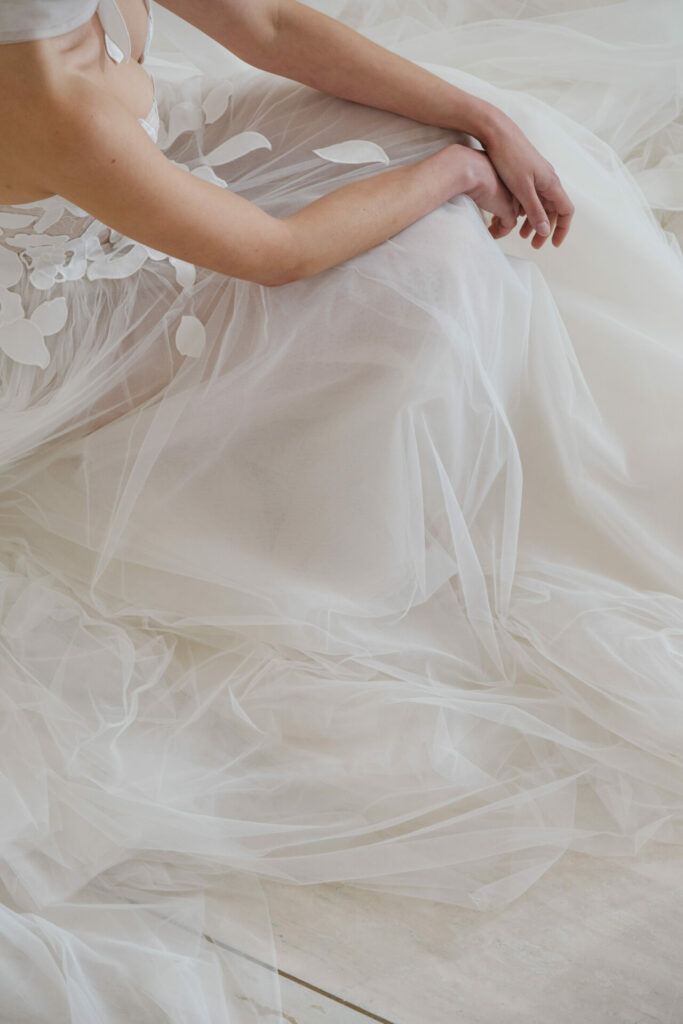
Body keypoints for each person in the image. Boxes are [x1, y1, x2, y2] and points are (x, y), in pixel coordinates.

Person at [0, 1, 682, 1022]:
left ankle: (618, 436)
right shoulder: (48, 96)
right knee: (425, 266)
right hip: (64, 304)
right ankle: (334, 546)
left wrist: (479, 124)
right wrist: (451, 175)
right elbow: (278, 253)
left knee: (489, 125)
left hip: (152, 158)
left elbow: (269, 24)